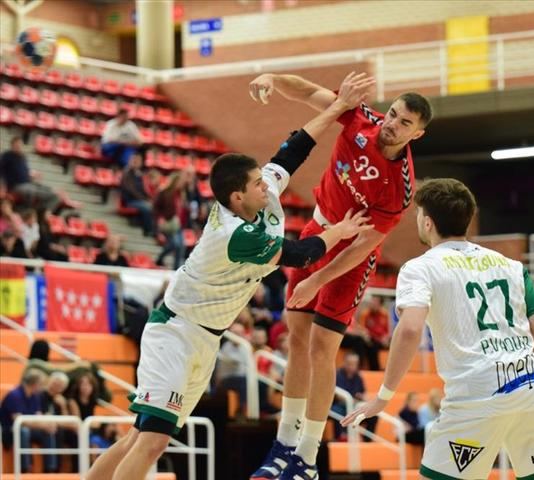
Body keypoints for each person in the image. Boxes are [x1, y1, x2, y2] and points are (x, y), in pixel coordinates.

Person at [84, 72, 375, 480]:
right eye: (259, 183)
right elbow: (299, 254)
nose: (268, 185)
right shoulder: (234, 235)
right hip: (177, 333)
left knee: (141, 434)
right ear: (238, 197)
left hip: (206, 336)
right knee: (154, 440)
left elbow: (294, 149)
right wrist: (339, 233)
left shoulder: (257, 196)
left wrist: (338, 107)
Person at [248, 72, 432, 480]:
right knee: (294, 337)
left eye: (404, 123)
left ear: (416, 135)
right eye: (395, 114)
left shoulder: (399, 188)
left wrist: (317, 278)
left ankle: (308, 456)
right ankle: (283, 444)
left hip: (351, 255)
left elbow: (365, 246)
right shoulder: (361, 118)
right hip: (317, 229)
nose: (393, 124)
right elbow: (310, 93)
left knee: (320, 347)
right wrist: (274, 79)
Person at [342, 179, 534, 480]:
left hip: (475, 396)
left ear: (428, 222)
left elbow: (408, 331)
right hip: (529, 389)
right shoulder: (511, 266)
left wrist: (384, 396)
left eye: (419, 214)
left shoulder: (420, 268)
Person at [0, 369, 58, 473]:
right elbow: (18, 420)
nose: (43, 387)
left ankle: (50, 468)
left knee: (48, 432)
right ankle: (24, 468)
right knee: (23, 431)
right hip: (10, 431)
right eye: (41, 384)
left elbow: (38, 416)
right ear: (35, 383)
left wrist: (46, 425)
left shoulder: (35, 396)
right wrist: (41, 425)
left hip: (30, 429)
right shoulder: (15, 395)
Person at [0, 136, 68, 212]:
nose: (19, 147)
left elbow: (24, 172)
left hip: (28, 183)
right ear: (12, 145)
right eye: (17, 145)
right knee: (30, 191)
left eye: (20, 145)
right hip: (16, 186)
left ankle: (43, 210)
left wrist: (32, 174)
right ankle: (33, 210)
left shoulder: (22, 157)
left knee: (52, 194)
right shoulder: (6, 156)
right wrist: (2, 186)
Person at [330, 352, 377, 441]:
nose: (352, 366)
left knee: (373, 414)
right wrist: (354, 400)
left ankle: (368, 440)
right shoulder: (337, 374)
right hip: (339, 405)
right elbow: (339, 396)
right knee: (337, 411)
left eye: (355, 364)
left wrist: (363, 398)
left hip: (354, 404)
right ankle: (340, 437)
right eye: (350, 363)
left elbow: (362, 393)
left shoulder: (358, 377)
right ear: (344, 362)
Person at [120, 153, 155, 237]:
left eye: (138, 161)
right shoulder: (127, 173)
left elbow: (145, 190)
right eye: (135, 160)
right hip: (130, 201)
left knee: (154, 206)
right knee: (147, 207)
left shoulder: (140, 175)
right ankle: (148, 230)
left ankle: (152, 229)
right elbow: (131, 191)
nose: (136, 162)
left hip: (140, 200)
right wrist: (144, 199)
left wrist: (148, 198)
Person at [357, 295, 391, 370]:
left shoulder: (385, 314)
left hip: (382, 340)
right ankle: (375, 369)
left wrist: (386, 338)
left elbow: (388, 331)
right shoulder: (365, 314)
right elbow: (361, 328)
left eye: (375, 302)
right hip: (371, 339)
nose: (372, 304)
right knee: (371, 346)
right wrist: (366, 335)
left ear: (380, 304)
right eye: (372, 302)